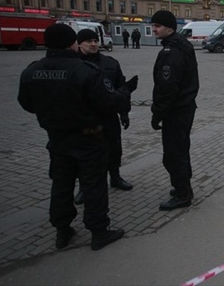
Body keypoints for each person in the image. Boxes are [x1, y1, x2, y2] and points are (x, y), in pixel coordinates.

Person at [18, 23, 136, 251]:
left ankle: (62, 230)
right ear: (73, 43)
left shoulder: (32, 71)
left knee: (61, 185)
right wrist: (125, 92)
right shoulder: (86, 71)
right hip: (89, 139)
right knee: (94, 186)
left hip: (58, 139)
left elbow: (26, 104)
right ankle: (99, 232)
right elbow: (110, 103)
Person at [73, 29, 137, 206]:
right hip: (85, 119)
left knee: (114, 149)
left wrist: (124, 113)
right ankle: (84, 188)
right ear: (79, 44)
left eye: (95, 40)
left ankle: (115, 177)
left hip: (108, 117)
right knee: (85, 156)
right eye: (88, 41)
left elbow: (121, 89)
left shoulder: (110, 63)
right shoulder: (74, 65)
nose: (93, 44)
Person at [150, 10, 199, 211]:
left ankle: (182, 194)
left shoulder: (171, 52)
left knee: (173, 154)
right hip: (185, 108)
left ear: (170, 27)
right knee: (181, 149)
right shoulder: (181, 45)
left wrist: (157, 114)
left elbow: (167, 88)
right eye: (153, 25)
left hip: (176, 111)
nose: (154, 29)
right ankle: (184, 186)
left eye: (158, 26)